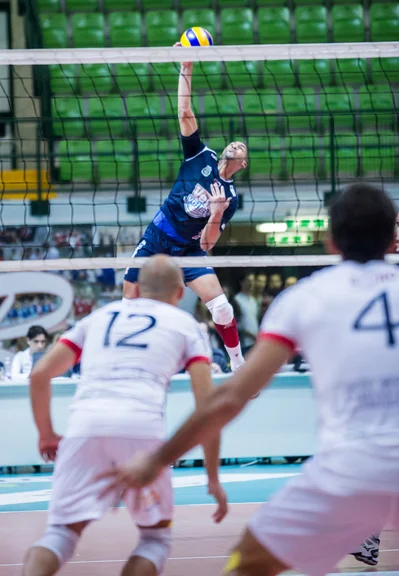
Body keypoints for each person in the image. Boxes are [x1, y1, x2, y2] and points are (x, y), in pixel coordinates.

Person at [99, 183, 399, 576]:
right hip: (361, 467)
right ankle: (362, 539)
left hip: (351, 469)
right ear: (393, 239)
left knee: (245, 564)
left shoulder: (305, 299)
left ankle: (358, 538)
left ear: (330, 242)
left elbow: (229, 400)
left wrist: (157, 460)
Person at [23, 255, 227, 576]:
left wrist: (47, 434)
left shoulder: (99, 317)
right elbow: (208, 406)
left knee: (60, 533)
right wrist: (213, 477)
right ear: (179, 293)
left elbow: (39, 376)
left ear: (138, 287)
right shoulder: (186, 325)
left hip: (85, 426)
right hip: (141, 429)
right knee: (155, 539)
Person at [124, 44, 248, 372]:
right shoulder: (200, 155)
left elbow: (207, 245)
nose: (235, 144)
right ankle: (130, 363)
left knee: (222, 308)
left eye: (241, 147)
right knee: (127, 304)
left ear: (243, 163)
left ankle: (237, 362)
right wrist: (187, 66)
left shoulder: (231, 198)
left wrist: (218, 212)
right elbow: (184, 112)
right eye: (233, 142)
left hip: (190, 249)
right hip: (157, 237)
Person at [234, 274, 259, 354]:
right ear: (242, 283)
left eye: (252, 281)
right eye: (248, 281)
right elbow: (235, 323)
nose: (250, 283)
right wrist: (250, 335)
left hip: (256, 342)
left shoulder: (253, 300)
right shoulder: (237, 300)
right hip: (244, 343)